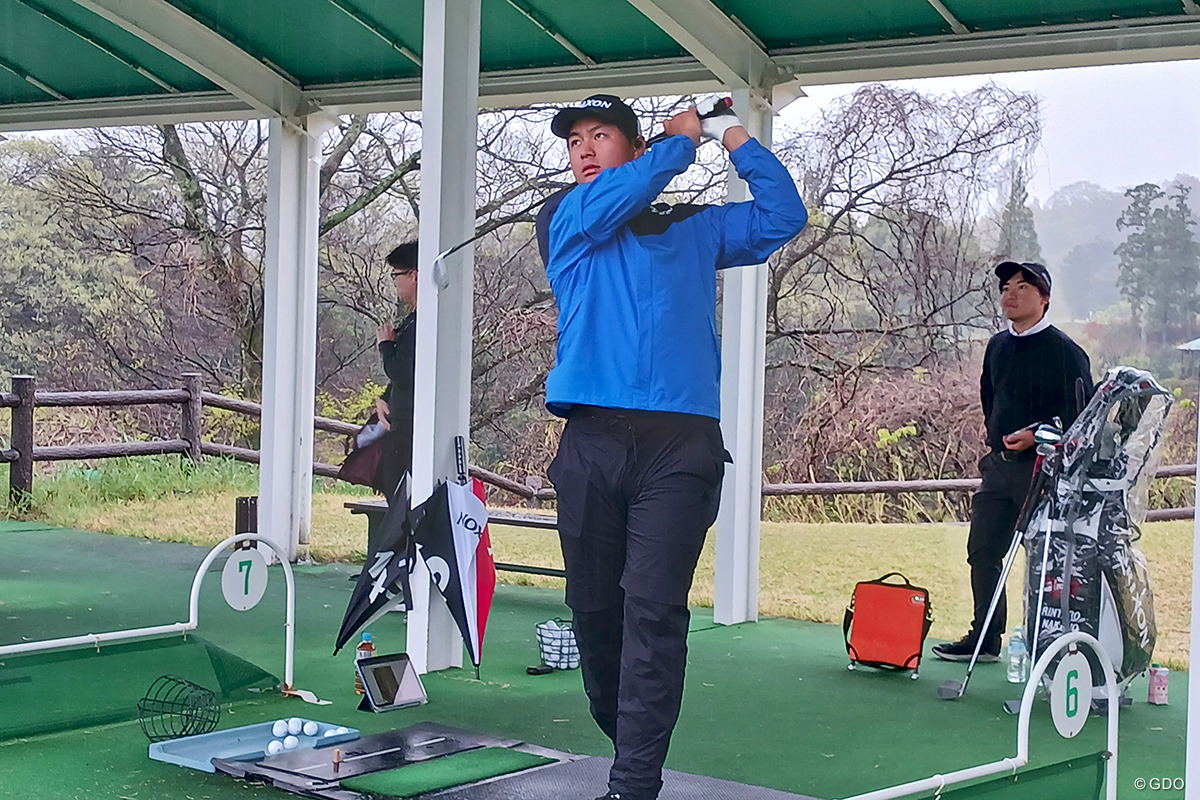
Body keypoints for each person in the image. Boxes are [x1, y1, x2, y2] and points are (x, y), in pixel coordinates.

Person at [535, 95, 807, 800]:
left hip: (679, 449)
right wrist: (677, 147)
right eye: (575, 141)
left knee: (653, 612)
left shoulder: (696, 230)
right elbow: (607, 206)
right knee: (595, 614)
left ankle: (633, 784)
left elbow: (783, 217)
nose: (584, 149)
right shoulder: (567, 220)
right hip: (592, 441)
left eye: (601, 136)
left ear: (632, 145)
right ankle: (629, 740)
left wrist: (731, 137)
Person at [932, 261, 1093, 662]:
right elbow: (991, 401)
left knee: (1045, 560)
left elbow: (1084, 417)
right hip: (999, 466)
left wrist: (1037, 434)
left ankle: (1049, 647)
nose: (1011, 294)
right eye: (1006, 286)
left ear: (1045, 298)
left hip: (1044, 471)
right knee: (983, 550)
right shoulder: (998, 346)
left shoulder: (1066, 352)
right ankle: (985, 639)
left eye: (1023, 286)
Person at [372, 241, 419, 498]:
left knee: (399, 495)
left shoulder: (422, 323)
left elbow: (404, 372)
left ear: (413, 275)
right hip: (402, 422)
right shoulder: (414, 320)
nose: (395, 282)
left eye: (396, 275)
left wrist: (387, 346)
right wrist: (385, 398)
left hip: (408, 429)